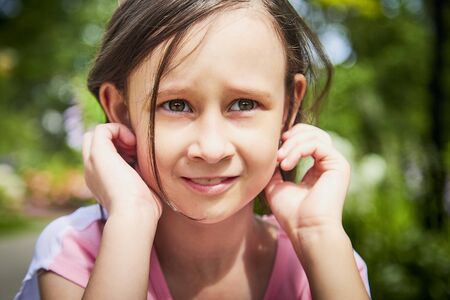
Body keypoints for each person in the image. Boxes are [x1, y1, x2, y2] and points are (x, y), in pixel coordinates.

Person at [16, 0, 371, 299]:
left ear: (288, 108)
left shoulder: (326, 264)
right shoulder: (77, 252)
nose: (212, 149)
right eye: (176, 105)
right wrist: (132, 217)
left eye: (244, 104)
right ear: (121, 110)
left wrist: (319, 234)